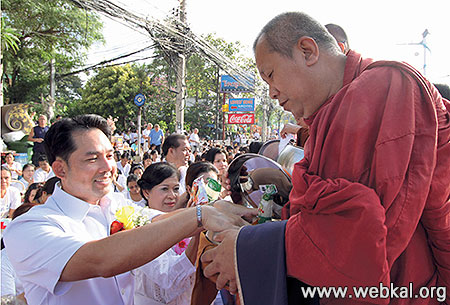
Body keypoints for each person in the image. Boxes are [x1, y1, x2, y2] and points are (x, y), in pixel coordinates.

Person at [201, 12, 450, 305]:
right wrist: (255, 231)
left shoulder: (384, 86)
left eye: (270, 75)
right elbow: (321, 216)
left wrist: (248, 248)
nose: (271, 93)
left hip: (409, 286)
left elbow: (359, 238)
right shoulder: (328, 114)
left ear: (308, 51)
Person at [3, 114, 241, 305]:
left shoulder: (115, 204)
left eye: (110, 155)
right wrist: (201, 217)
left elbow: (159, 223)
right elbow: (100, 260)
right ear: (60, 169)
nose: (108, 166)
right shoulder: (29, 228)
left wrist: (220, 207)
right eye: (92, 159)